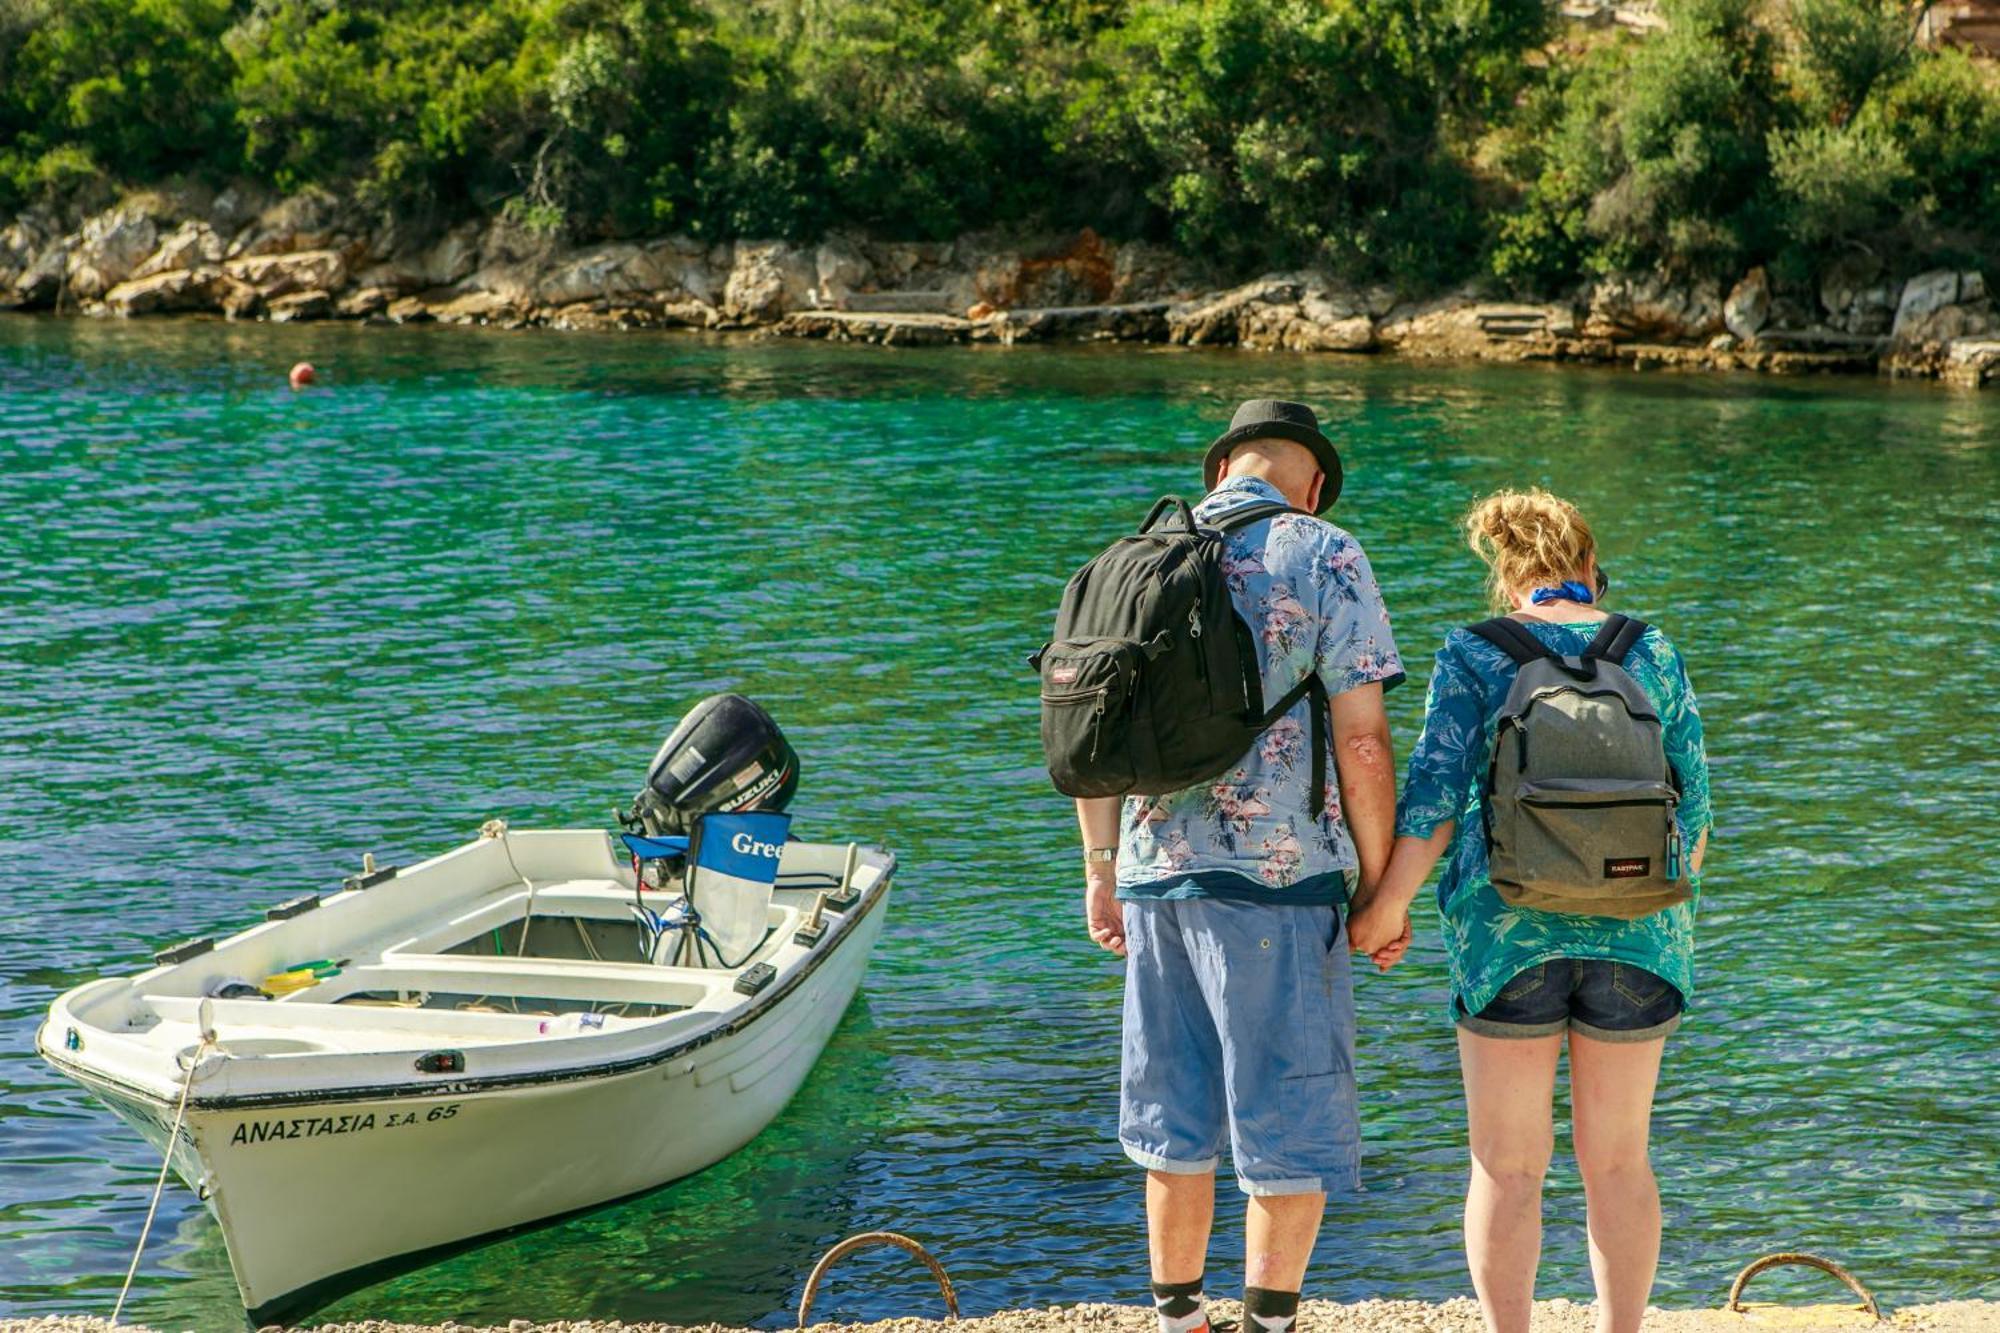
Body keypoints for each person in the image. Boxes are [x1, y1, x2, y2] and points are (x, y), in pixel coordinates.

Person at [1347, 488, 1712, 1333]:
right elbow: (1694, 815)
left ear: (1508, 575)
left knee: (1507, 1167)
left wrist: (1385, 910)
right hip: (1640, 938)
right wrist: (1650, 910)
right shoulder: (1649, 647)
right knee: (1619, 1161)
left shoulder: (1476, 652)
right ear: (1589, 566)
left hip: (1506, 938)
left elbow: (1433, 802)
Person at [1077, 400, 1406, 1333]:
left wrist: (1101, 868)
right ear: (1310, 482)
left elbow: (1085, 735)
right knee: (1288, 1117)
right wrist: (1379, 884)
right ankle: (1266, 1324)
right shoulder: (1324, 551)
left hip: (1150, 877)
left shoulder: (1131, 555)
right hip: (1280, 880)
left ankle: (1179, 1322)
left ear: (1222, 466)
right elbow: (1365, 739)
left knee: (1172, 1116)